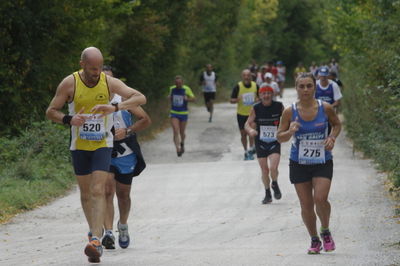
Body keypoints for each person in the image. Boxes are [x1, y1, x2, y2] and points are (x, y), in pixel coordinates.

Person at [45, 47, 146, 263]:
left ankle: (96, 241)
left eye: (99, 68)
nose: (96, 72)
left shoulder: (108, 82)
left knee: (98, 189)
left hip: (103, 144)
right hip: (79, 145)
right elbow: (51, 111)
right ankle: (93, 231)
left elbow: (140, 98)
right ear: (82, 65)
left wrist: (115, 107)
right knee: (85, 193)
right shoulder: (69, 83)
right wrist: (68, 120)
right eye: (92, 69)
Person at [277, 72, 341, 255]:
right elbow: (279, 137)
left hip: (322, 160)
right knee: (306, 204)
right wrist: (289, 131)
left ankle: (326, 230)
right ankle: (314, 239)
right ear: (296, 88)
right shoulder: (290, 111)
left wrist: (331, 137)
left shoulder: (325, 107)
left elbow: (337, 125)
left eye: (309, 86)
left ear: (314, 87)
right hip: (299, 162)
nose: (305, 90)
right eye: (301, 86)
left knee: (320, 198)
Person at [102, 66, 151, 250]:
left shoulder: (123, 99)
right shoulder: (93, 99)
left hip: (125, 154)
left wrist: (128, 130)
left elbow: (145, 120)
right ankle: (107, 232)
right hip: (104, 152)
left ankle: (122, 225)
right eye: (102, 79)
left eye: (109, 79)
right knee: (107, 191)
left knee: (123, 195)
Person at [245, 85, 284, 204]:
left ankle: (275, 183)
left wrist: (286, 129)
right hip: (260, 142)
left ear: (272, 95)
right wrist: (251, 130)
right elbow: (247, 124)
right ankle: (267, 193)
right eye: (263, 93)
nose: (266, 95)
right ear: (260, 96)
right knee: (264, 170)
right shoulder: (256, 108)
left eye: (268, 93)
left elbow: (288, 119)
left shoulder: (278, 106)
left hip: (274, 141)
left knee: (273, 167)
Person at [230, 69, 259, 160]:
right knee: (243, 135)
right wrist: (237, 99)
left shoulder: (255, 86)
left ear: (251, 76)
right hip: (241, 114)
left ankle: (250, 150)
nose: (246, 77)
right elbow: (231, 100)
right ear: (242, 76)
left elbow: (260, 97)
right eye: (244, 75)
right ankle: (246, 151)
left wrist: (258, 99)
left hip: (252, 114)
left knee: (251, 133)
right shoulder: (238, 86)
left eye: (248, 75)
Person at [169, 75, 195, 157]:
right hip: (174, 112)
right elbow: (170, 97)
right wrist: (169, 97)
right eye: (176, 83)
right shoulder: (172, 89)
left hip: (183, 113)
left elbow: (194, 99)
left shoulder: (186, 89)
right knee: (175, 131)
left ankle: (182, 143)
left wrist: (187, 99)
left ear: (182, 83)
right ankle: (178, 149)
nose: (178, 85)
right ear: (174, 83)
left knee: (182, 132)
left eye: (179, 83)